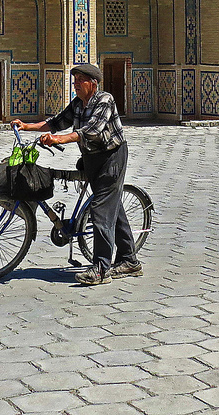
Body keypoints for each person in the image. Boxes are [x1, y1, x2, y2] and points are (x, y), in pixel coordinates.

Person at [14, 63, 140, 285]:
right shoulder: (78, 104)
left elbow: (92, 130)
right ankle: (129, 260)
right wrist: (27, 126)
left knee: (101, 209)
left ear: (93, 83)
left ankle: (101, 269)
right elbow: (56, 122)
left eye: (80, 80)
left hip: (111, 158)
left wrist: (60, 139)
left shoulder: (104, 100)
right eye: (75, 81)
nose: (76, 85)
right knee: (113, 206)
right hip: (91, 159)